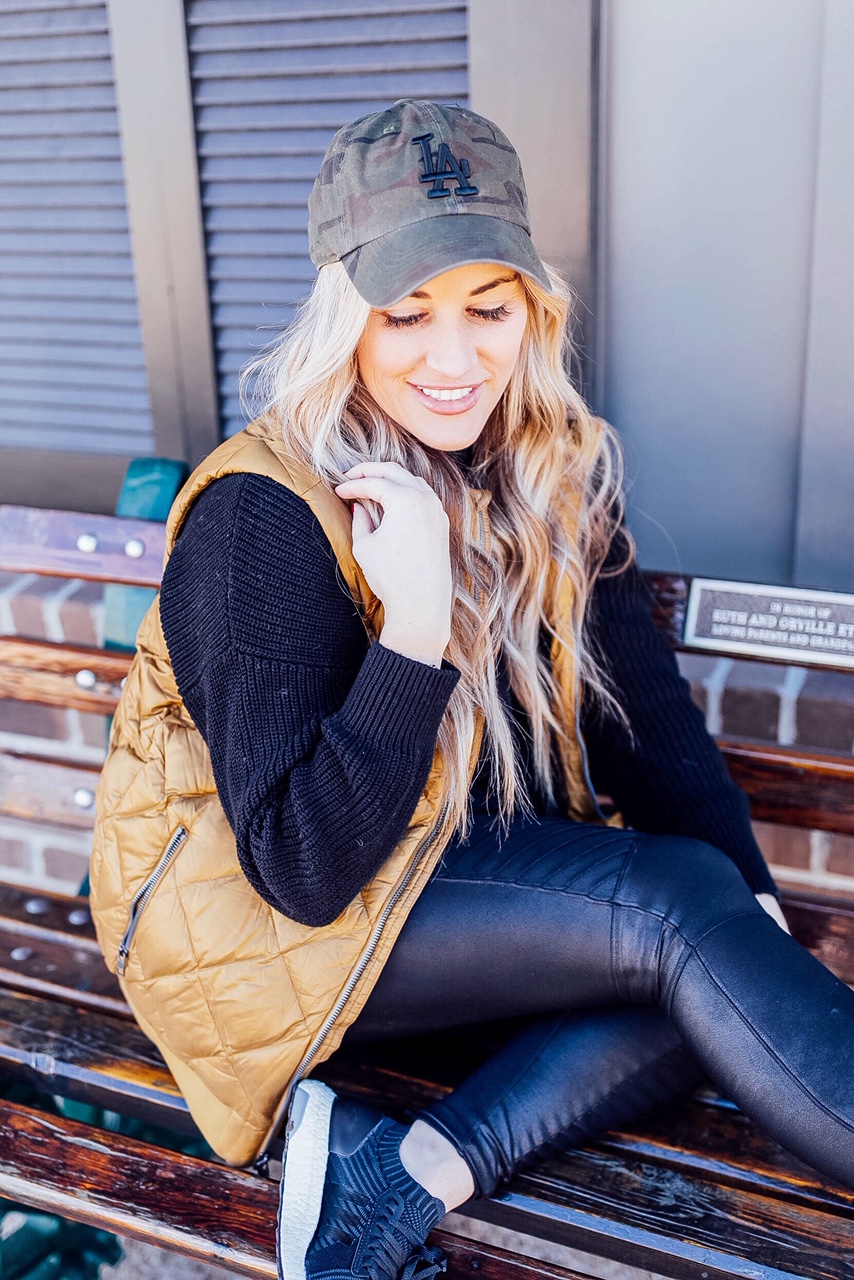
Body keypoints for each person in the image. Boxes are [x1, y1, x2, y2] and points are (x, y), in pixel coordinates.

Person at [89, 99, 854, 1280]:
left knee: (715, 972)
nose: (454, 360)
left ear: (531, 309)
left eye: (486, 308)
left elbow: (643, 721)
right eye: (405, 316)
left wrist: (747, 916)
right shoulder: (265, 512)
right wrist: (413, 622)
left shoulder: (548, 463)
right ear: (343, 316)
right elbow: (295, 868)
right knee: (674, 918)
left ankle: (397, 1169)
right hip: (250, 938)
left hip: (440, 877)